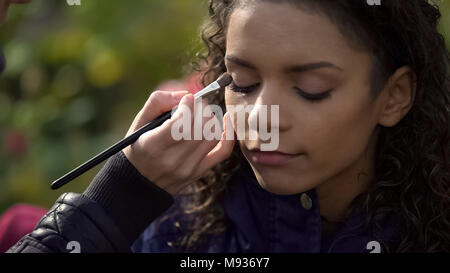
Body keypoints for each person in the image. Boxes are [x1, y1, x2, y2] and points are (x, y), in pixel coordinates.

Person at [7, 0, 450, 253]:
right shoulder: (178, 228)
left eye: (311, 88)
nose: (260, 116)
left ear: (394, 96)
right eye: (243, 82)